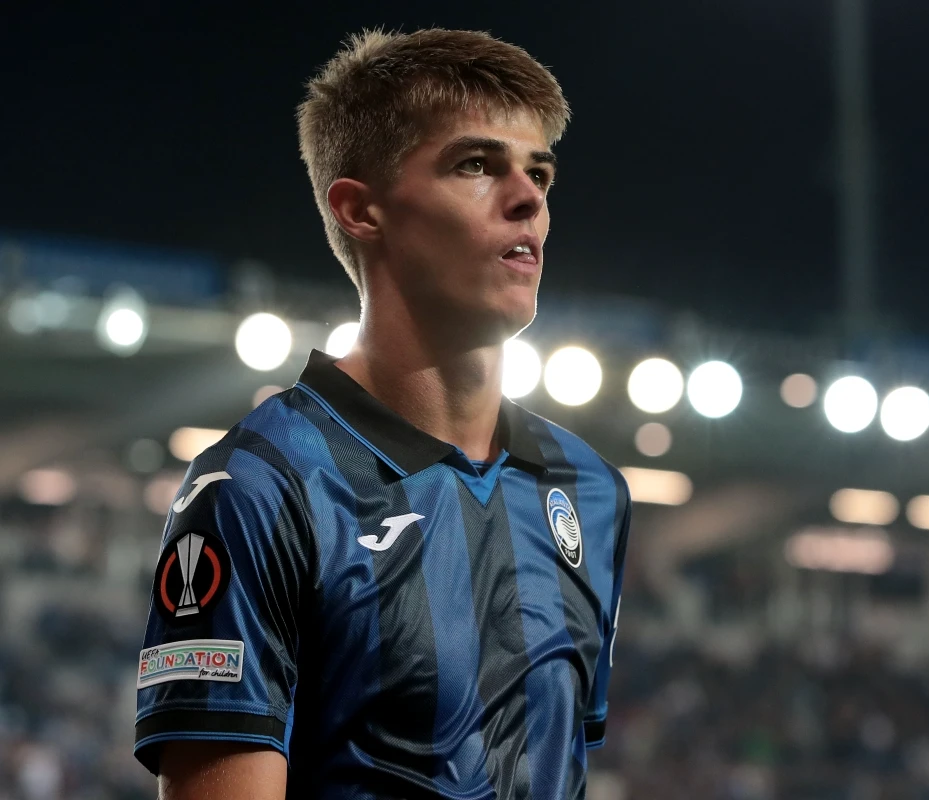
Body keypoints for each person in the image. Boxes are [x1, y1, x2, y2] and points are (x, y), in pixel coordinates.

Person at [133, 28, 632, 800]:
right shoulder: (259, 487)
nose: (529, 196)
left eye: (539, 172)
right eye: (476, 164)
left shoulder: (590, 491)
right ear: (361, 210)